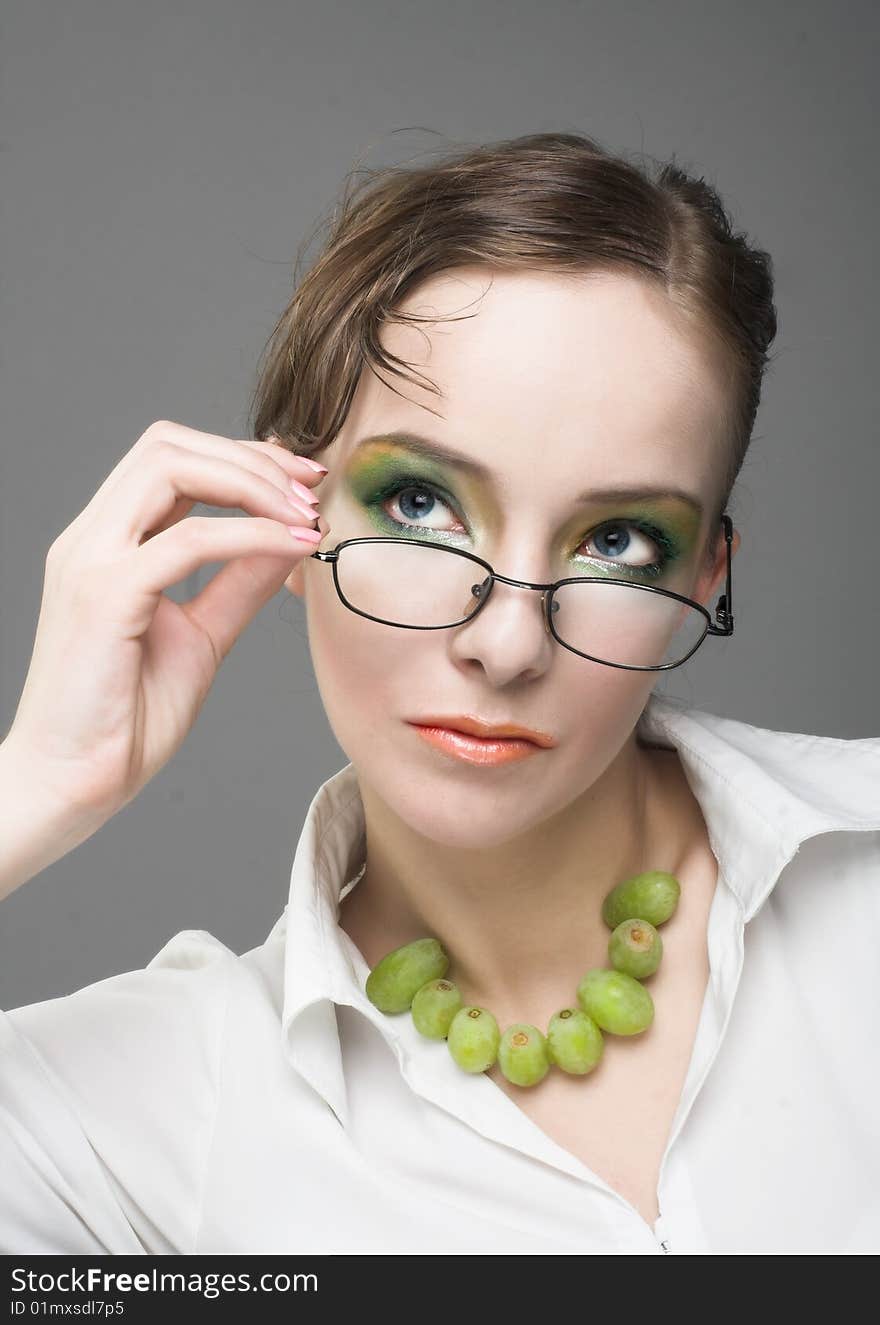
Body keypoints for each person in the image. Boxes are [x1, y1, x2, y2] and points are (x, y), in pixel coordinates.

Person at [1, 132, 878, 1257]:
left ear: (702, 575)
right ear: (288, 511)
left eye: (616, 538)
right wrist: (36, 784)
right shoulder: (152, 1113)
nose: (505, 643)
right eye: (420, 504)